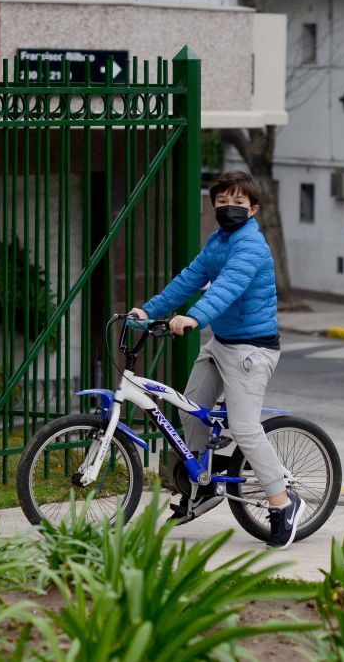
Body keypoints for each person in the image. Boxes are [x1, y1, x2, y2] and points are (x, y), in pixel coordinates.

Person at [128, 170, 305, 548]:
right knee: (191, 410)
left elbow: (225, 289)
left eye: (238, 203)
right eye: (222, 202)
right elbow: (190, 279)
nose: (229, 208)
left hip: (252, 349)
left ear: (253, 209)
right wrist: (149, 310)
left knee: (243, 427)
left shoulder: (252, 247)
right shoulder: (217, 241)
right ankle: (203, 487)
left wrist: (194, 317)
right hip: (221, 342)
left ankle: (282, 502)